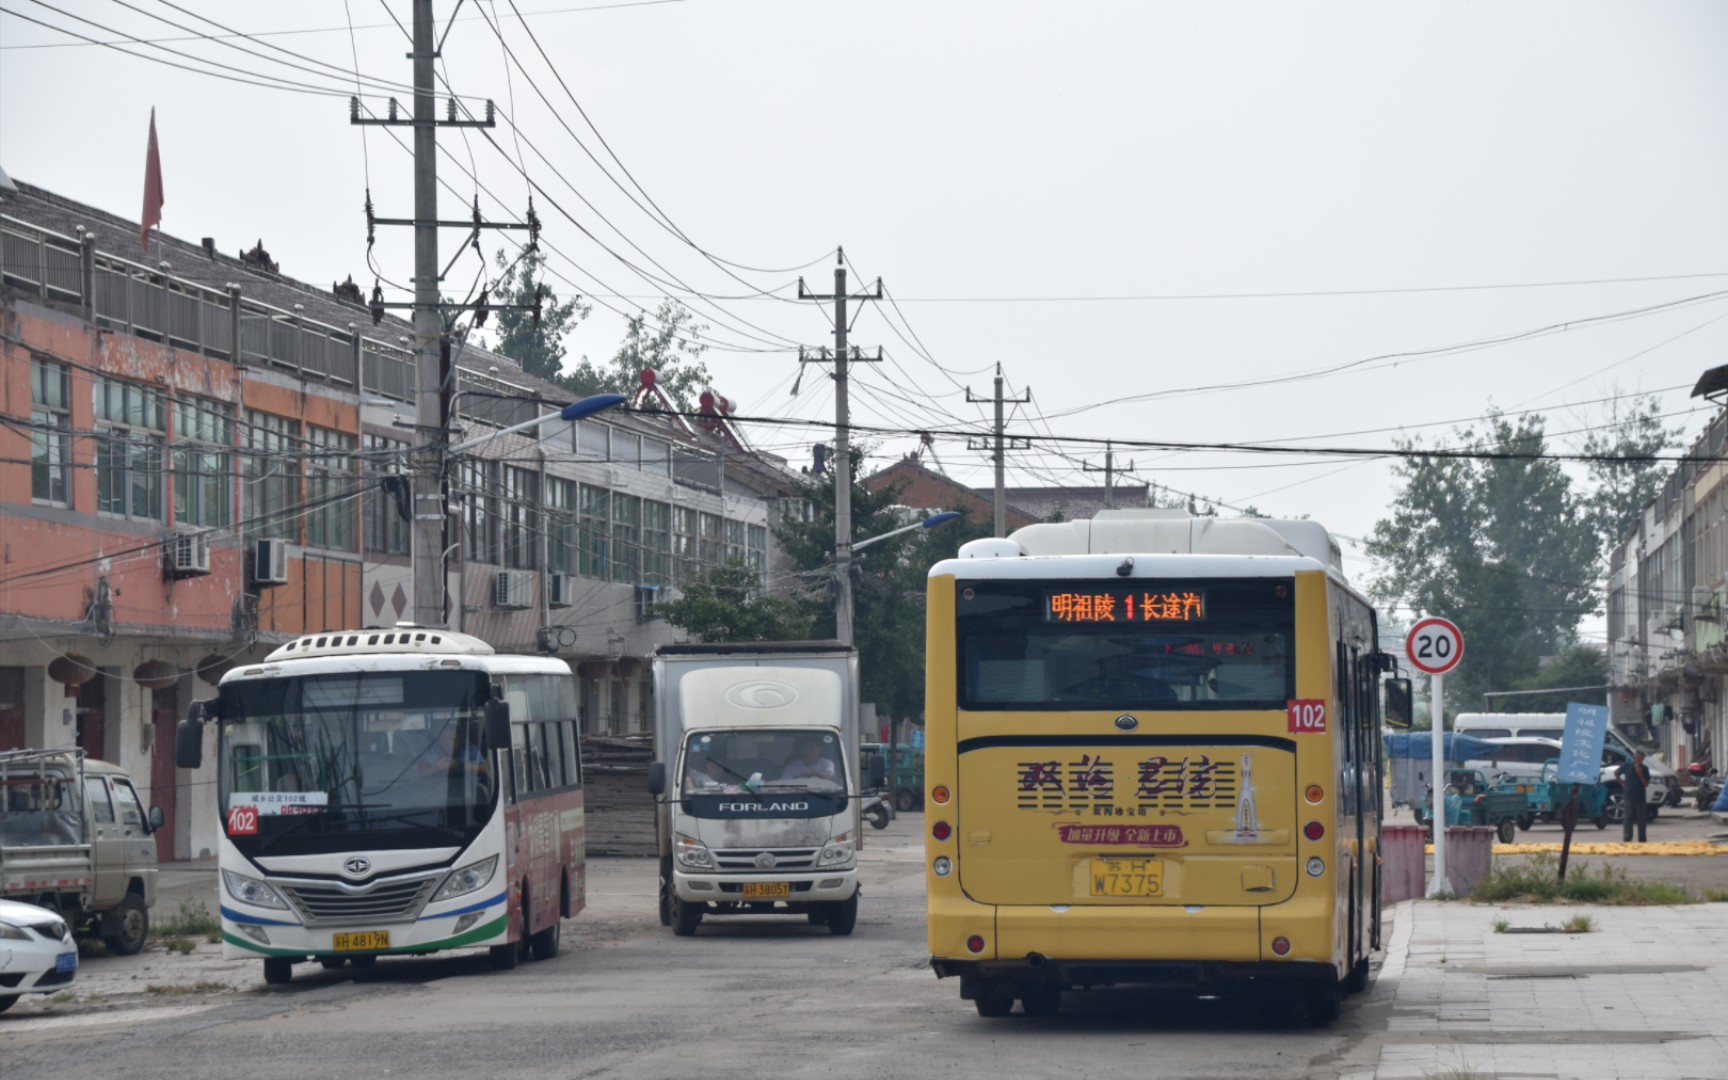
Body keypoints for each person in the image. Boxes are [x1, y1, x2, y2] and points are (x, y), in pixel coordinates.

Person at [1616, 750, 1651, 843]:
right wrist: (1622, 783)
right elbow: (1616, 773)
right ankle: (1627, 837)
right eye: (1637, 758)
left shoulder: (1645, 768)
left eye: (1641, 759)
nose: (1639, 761)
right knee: (1628, 818)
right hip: (1628, 795)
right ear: (1634, 758)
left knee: (1641, 819)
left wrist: (1640, 773)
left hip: (1640, 796)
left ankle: (1642, 838)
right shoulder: (1627, 765)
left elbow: (1646, 783)